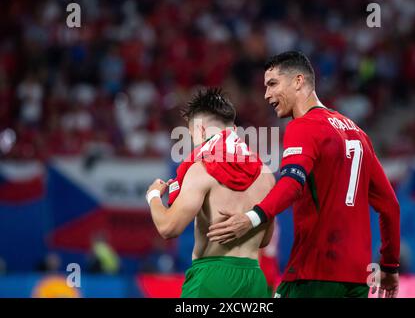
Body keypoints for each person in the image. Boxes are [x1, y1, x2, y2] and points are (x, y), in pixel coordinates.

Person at [207, 51, 400, 298]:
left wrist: (252, 218)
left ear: (298, 81)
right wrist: (389, 266)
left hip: (314, 275)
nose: (267, 95)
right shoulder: (358, 134)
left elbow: (292, 183)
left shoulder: (304, 126)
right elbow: (390, 206)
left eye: (273, 84)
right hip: (357, 281)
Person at [146, 88, 275, 298]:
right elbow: (265, 239)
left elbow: (169, 228)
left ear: (202, 131)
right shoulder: (266, 175)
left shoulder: (201, 169)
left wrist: (153, 197)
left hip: (211, 280)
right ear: (233, 129)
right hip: (254, 281)